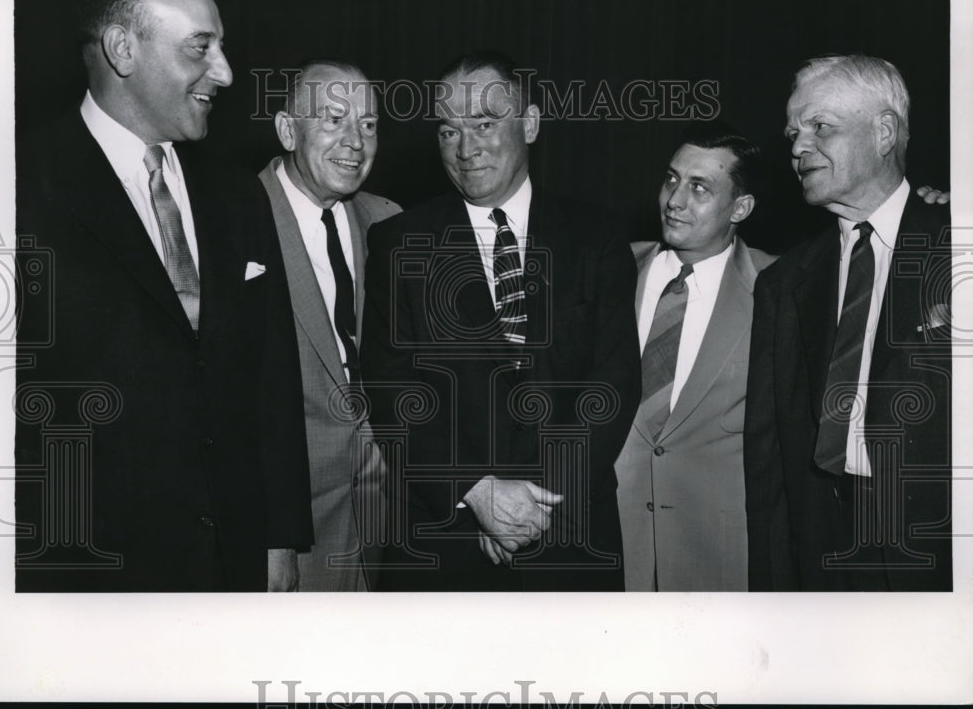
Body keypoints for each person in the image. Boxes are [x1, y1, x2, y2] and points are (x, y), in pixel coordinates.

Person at [15, 0, 313, 591]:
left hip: (234, 560)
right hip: (89, 574)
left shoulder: (238, 195)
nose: (226, 73)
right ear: (123, 49)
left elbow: (272, 380)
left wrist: (281, 537)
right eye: (201, 48)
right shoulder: (14, 186)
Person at [360, 52, 641, 590]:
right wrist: (479, 491)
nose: (466, 150)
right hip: (445, 537)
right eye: (448, 131)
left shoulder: (597, 237)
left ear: (529, 124)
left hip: (567, 530)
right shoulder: (398, 243)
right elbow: (391, 388)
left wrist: (530, 505)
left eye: (485, 124)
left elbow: (614, 383)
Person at [744, 54, 951, 591]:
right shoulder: (784, 282)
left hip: (939, 553)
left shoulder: (959, 244)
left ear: (884, 131)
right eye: (793, 131)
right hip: (821, 549)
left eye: (820, 127)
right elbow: (768, 462)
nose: (796, 146)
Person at [614, 123, 776, 591]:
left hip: (719, 555)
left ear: (740, 208)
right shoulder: (610, 267)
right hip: (610, 543)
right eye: (671, 179)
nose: (674, 200)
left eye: (699, 187)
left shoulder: (780, 287)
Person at [258, 59, 400, 590]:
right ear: (288, 129)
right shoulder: (235, 220)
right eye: (333, 119)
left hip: (383, 517)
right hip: (289, 527)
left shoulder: (389, 221)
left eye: (368, 124)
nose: (355, 142)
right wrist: (273, 535)